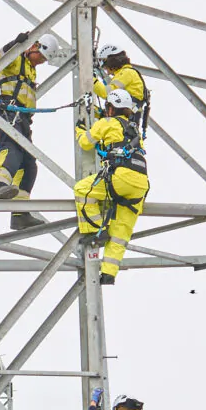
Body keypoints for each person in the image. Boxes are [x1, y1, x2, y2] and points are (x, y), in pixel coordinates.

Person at [72, 111, 148, 285]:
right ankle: (108, 274)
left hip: (121, 177)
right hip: (140, 184)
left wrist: (80, 129)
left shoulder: (107, 122)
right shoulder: (134, 130)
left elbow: (85, 142)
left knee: (83, 190)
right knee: (121, 231)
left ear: (111, 107)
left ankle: (95, 231)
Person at [0, 32, 46, 233]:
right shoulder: (15, 59)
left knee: (29, 164)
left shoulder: (31, 70)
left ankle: (20, 214)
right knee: (12, 149)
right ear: (33, 48)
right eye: (41, 56)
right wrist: (15, 43)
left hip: (22, 118)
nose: (42, 62)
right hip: (7, 111)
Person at [94, 43, 149, 138]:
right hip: (126, 122)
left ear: (111, 61)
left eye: (105, 64)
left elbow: (106, 93)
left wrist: (91, 80)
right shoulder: (124, 74)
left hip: (125, 124)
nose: (105, 69)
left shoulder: (127, 73)